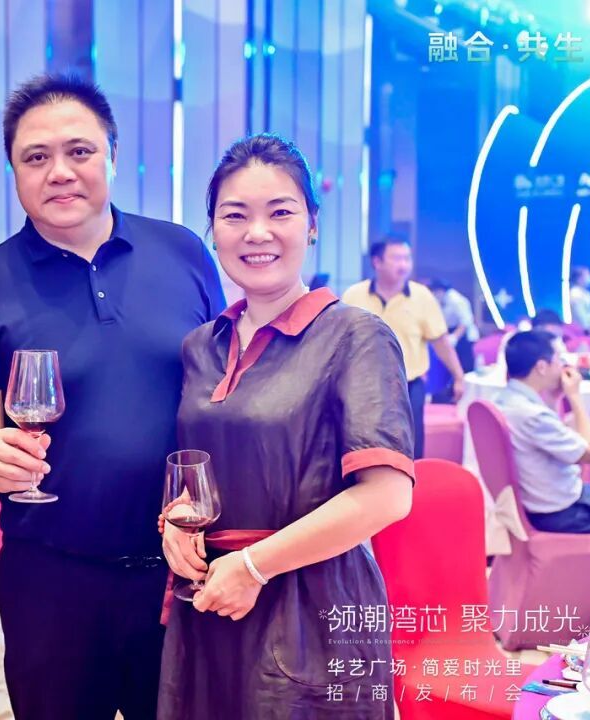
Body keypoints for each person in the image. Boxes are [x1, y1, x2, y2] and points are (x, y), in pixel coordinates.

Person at [0, 73, 225, 720]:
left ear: (113, 156)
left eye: (80, 151)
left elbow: (224, 388)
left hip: (180, 570)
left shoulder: (182, 253)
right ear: (14, 172)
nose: (59, 172)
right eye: (36, 157)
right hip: (50, 584)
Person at [158, 133, 414, 718]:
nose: (257, 233)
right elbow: (199, 467)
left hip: (314, 608)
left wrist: (254, 566)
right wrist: (173, 520)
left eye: (280, 212)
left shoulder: (356, 336)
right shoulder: (201, 347)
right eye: (235, 215)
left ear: (312, 225)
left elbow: (387, 496)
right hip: (211, 600)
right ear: (213, 231)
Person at [342, 236, 465, 458]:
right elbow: (342, 341)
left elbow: (441, 341)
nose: (404, 265)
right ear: (377, 262)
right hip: (364, 385)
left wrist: (458, 376)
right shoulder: (354, 295)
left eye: (407, 258)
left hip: (409, 386)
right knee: (364, 448)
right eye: (397, 258)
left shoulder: (422, 296)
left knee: (412, 448)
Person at [495, 331, 590, 533]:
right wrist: (575, 397)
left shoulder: (505, 399)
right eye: (559, 359)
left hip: (537, 502)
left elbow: (546, 436)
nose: (563, 366)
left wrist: (554, 399)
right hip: (562, 512)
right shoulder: (532, 415)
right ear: (542, 367)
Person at [429, 278, 477, 373]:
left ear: (442, 290)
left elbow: (465, 322)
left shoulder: (457, 300)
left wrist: (454, 337)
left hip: (463, 335)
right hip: (449, 330)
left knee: (465, 363)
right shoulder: (437, 300)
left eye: (436, 291)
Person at [569, 266, 590, 333]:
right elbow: (580, 315)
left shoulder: (586, 293)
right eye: (587, 274)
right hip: (583, 331)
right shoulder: (575, 294)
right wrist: (588, 330)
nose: (589, 277)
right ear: (578, 278)